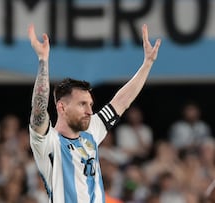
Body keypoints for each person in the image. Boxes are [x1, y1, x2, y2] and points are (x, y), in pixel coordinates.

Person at [28, 23, 161, 203]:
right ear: (62, 107)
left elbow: (121, 102)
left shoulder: (92, 131)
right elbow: (38, 110)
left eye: (90, 104)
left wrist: (147, 64)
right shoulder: (48, 143)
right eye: (82, 104)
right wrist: (43, 61)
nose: (90, 111)